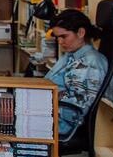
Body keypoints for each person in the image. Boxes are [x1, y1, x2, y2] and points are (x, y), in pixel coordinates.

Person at [46, 9, 108, 137]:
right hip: (50, 111)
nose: (60, 42)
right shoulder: (71, 55)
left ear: (81, 32)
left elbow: (77, 106)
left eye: (64, 36)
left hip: (62, 122)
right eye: (58, 37)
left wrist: (44, 101)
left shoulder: (90, 62)